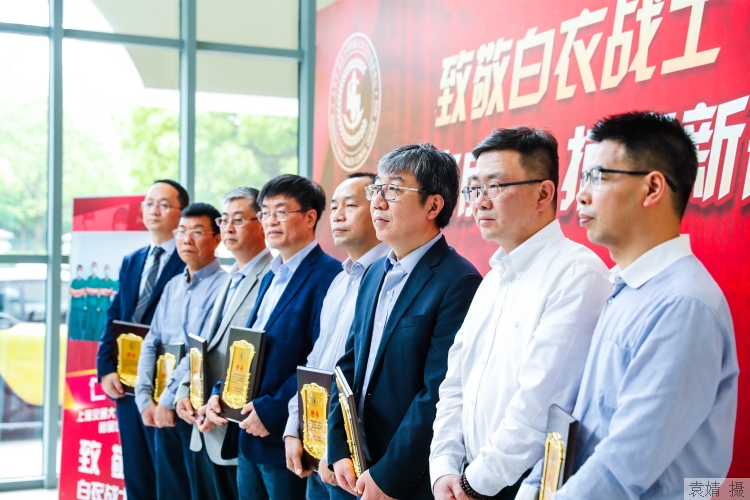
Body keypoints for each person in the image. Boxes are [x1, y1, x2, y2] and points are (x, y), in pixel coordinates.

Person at [517, 112, 739, 500]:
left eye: (598, 177)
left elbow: (623, 467)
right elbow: (580, 420)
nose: (581, 195)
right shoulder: (623, 286)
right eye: (583, 179)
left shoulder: (683, 306)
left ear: (652, 188)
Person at [428, 127, 610, 500]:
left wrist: (475, 483)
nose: (480, 202)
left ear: (544, 193)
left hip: (525, 484)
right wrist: (444, 464)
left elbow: (541, 404)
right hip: (468, 480)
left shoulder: (577, 274)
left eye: (495, 186)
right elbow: (456, 382)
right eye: (475, 188)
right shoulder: (493, 279)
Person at [328, 144, 483, 500]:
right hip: (355, 466)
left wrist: (388, 476)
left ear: (433, 205)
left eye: (394, 190)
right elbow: (347, 366)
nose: (378, 202)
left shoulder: (458, 281)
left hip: (405, 481)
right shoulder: (373, 274)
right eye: (376, 189)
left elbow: (437, 393)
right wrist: (339, 447)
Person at [205, 174, 341, 500]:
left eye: (281, 211)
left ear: (310, 217)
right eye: (265, 213)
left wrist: (273, 410)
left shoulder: (329, 276)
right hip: (248, 431)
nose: (270, 221)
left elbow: (320, 362)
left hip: (285, 437)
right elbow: (248, 347)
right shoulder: (271, 274)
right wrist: (221, 392)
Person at [284, 173, 389, 500]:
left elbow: (367, 379)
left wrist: (338, 445)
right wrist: (294, 426)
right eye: (334, 207)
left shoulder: (389, 280)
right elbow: (316, 361)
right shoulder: (339, 280)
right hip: (314, 445)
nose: (338, 216)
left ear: (379, 209)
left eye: (351, 206)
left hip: (354, 459)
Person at [174, 187, 273, 500]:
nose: (228, 227)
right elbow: (205, 345)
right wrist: (183, 390)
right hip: (203, 423)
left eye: (238, 220)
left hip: (234, 425)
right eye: (224, 219)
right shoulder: (229, 277)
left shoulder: (273, 278)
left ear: (263, 222)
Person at [96, 179, 189, 500]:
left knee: (168, 476)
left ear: (181, 212)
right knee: (136, 472)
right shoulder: (133, 260)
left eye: (163, 204)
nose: (154, 210)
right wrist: (106, 368)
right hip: (126, 378)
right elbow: (114, 316)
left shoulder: (189, 259)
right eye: (149, 203)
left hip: (166, 383)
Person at [135, 202, 226, 500]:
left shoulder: (225, 286)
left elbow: (201, 350)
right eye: (182, 231)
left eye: (197, 232)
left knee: (198, 491)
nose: (186, 239)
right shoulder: (172, 286)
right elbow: (152, 341)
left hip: (195, 407)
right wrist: (144, 398)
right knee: (168, 490)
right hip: (161, 404)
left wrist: (168, 398)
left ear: (217, 238)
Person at [97, 264, 118, 335]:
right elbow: (100, 291)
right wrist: (107, 291)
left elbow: (112, 292)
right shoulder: (101, 281)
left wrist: (104, 290)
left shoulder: (111, 282)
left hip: (108, 306)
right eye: (106, 269)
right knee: (100, 325)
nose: (107, 270)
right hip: (101, 306)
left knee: (107, 325)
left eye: (108, 269)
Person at [84, 262, 102, 341]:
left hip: (95, 305)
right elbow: (86, 290)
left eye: (95, 267)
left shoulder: (98, 280)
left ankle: (93, 340)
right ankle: (87, 340)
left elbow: (98, 291)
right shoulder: (88, 279)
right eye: (93, 267)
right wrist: (93, 290)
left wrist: (92, 291)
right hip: (88, 305)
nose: (94, 268)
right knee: (88, 324)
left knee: (94, 324)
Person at [68, 264, 87, 340]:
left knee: (80, 324)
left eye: (80, 270)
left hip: (80, 307)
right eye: (78, 269)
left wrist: (75, 292)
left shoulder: (84, 282)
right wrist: (78, 292)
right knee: (73, 324)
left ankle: (79, 339)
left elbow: (83, 292)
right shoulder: (74, 281)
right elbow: (71, 291)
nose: (79, 271)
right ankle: (72, 338)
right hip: (74, 307)